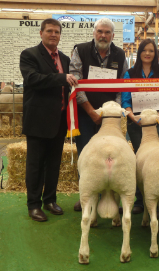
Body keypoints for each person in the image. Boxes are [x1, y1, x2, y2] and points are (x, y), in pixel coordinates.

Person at [20, 18, 78, 222]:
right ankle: (33, 204)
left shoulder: (64, 58)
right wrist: (61, 78)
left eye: (57, 32)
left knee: (53, 163)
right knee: (35, 164)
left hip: (59, 120)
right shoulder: (29, 55)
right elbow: (32, 79)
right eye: (50, 31)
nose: (54, 34)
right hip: (38, 120)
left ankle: (50, 200)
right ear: (41, 33)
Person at [69, 18, 128, 211]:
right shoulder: (80, 50)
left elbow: (122, 87)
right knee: (86, 154)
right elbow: (76, 83)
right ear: (94, 33)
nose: (103, 35)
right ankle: (86, 198)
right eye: (100, 31)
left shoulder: (120, 54)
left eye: (107, 32)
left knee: (111, 153)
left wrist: (114, 112)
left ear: (113, 35)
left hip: (110, 118)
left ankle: (109, 197)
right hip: (86, 114)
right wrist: (90, 111)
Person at [122, 38, 159, 214]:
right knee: (139, 159)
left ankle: (156, 200)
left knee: (156, 160)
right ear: (139, 53)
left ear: (156, 54)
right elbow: (125, 98)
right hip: (135, 122)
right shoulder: (129, 73)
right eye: (144, 50)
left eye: (151, 50)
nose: (148, 53)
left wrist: (157, 118)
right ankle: (140, 201)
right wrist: (131, 115)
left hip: (157, 123)